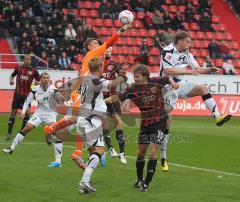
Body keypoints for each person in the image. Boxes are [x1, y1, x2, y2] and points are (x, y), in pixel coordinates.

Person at [159, 31, 232, 171]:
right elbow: (168, 70)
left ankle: (218, 117)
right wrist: (187, 72)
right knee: (167, 121)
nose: (190, 44)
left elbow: (197, 69)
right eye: (188, 41)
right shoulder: (167, 51)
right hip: (166, 87)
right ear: (179, 41)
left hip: (180, 85)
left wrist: (209, 69)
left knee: (203, 89)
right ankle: (163, 156)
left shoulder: (187, 54)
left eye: (191, 42)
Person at [44, 23, 132, 136]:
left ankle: (52, 129)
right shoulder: (92, 52)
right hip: (83, 90)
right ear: (89, 46)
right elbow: (110, 42)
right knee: (79, 118)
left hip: (86, 89)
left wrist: (107, 58)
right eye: (96, 43)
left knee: (77, 118)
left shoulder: (92, 58)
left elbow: (101, 71)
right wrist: (123, 29)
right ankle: (73, 146)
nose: (98, 44)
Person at [105, 64, 179, 192]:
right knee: (140, 153)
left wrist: (172, 82)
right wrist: (102, 101)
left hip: (160, 122)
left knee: (153, 151)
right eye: (134, 76)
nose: (135, 79)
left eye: (137, 76)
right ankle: (139, 179)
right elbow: (118, 97)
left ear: (145, 76)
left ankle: (146, 183)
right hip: (145, 124)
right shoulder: (132, 89)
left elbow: (167, 78)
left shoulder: (154, 82)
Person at [3, 73, 64, 168]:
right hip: (39, 113)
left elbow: (62, 100)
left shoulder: (53, 90)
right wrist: (23, 112)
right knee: (26, 128)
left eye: (47, 78)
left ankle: (58, 161)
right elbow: (27, 101)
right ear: (40, 79)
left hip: (50, 115)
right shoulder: (35, 89)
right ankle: (11, 148)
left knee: (57, 133)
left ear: (49, 80)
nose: (46, 80)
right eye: (44, 78)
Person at [5, 55, 40, 141]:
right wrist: (11, 80)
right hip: (17, 94)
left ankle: (21, 133)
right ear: (23, 60)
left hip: (27, 95)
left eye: (29, 59)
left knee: (27, 113)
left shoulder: (34, 71)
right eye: (26, 59)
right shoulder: (18, 68)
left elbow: (39, 80)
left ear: (30, 61)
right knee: (13, 112)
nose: (27, 60)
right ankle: (9, 133)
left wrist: (37, 82)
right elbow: (12, 75)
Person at [102, 47, 127, 164]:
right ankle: (111, 148)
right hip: (99, 98)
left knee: (118, 122)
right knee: (104, 122)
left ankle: (122, 152)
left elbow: (122, 78)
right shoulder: (96, 64)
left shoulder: (114, 65)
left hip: (111, 97)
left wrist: (123, 77)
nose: (107, 52)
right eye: (105, 51)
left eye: (109, 51)